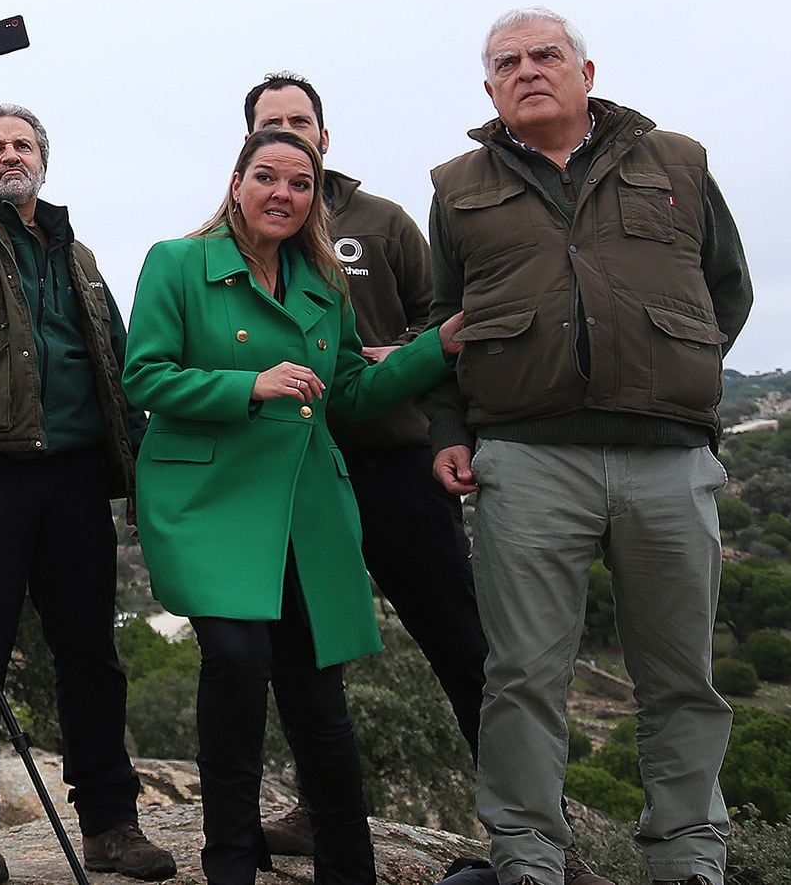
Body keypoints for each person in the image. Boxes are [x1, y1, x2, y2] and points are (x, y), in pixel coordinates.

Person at [245, 75, 607, 885]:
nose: (290, 136)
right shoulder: (239, 245)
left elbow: (446, 314)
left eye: (302, 123)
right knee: (307, 655)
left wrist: (399, 357)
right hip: (301, 475)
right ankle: (317, 805)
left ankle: (539, 838)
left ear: (325, 138)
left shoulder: (383, 223)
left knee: (463, 646)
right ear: (247, 150)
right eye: (273, 127)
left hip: (400, 461)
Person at [425, 9, 752, 885]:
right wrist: (453, 433)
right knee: (524, 675)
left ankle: (690, 859)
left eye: (546, 56)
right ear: (488, 86)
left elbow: (728, 289)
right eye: (507, 62)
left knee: (682, 675)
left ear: (586, 69)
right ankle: (527, 858)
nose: (529, 70)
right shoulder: (457, 185)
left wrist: (666, 373)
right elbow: (438, 325)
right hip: (526, 461)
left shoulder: (677, 161)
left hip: (669, 459)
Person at [124, 127, 462, 885]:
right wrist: (250, 385)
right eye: (267, 177)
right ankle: (231, 863)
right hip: (207, 502)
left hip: (305, 507)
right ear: (237, 182)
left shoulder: (323, 282)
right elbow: (144, 377)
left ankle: (350, 867)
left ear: (314, 197)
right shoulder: (177, 262)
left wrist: (435, 347)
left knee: (319, 695)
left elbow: (347, 392)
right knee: (238, 663)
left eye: (300, 183)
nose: (283, 193)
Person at [0, 25, 174, 885]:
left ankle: (112, 825)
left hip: (75, 477)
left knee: (92, 653)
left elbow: (117, 368)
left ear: (43, 159)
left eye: (23, 144)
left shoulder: (80, 256)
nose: (10, 154)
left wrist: (139, 477)